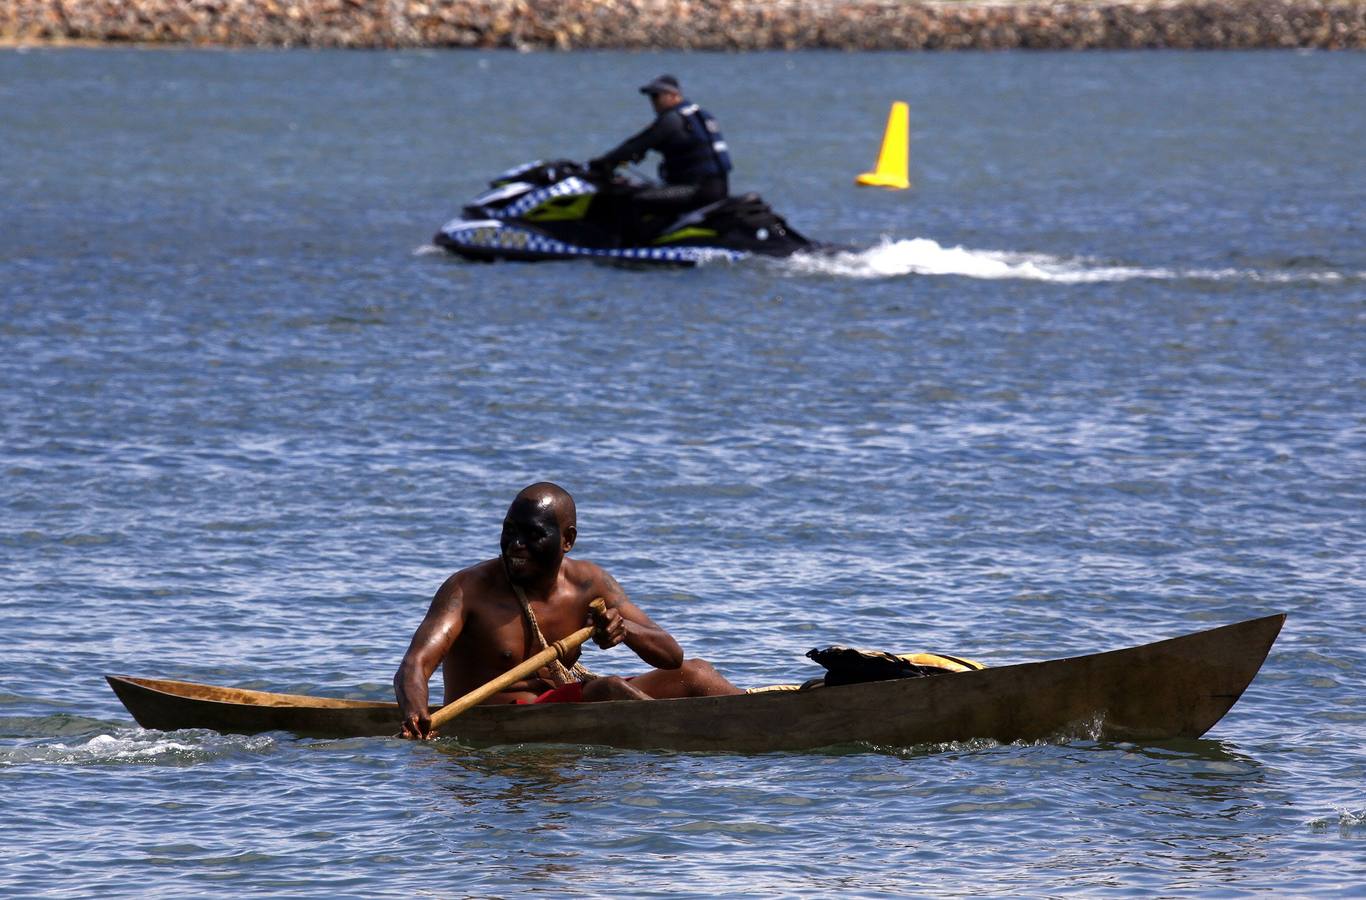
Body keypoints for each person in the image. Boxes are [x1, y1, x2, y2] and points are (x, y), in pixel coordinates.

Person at [394, 482, 741, 739]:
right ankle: (695, 741)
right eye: (509, 532)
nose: (516, 545)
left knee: (697, 674)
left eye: (532, 535)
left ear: (567, 539)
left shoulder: (589, 583)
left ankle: (765, 714)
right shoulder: (467, 589)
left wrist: (624, 630)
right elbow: (415, 664)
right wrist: (415, 712)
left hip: (563, 705)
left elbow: (672, 656)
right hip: (496, 719)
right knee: (609, 691)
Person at [589, 74, 733, 226]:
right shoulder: (699, 116)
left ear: (673, 95)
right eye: (651, 97)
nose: (653, 102)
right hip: (717, 188)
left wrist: (601, 163)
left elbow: (635, 144)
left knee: (632, 200)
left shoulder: (672, 120)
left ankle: (633, 247)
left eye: (656, 96)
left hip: (696, 191)